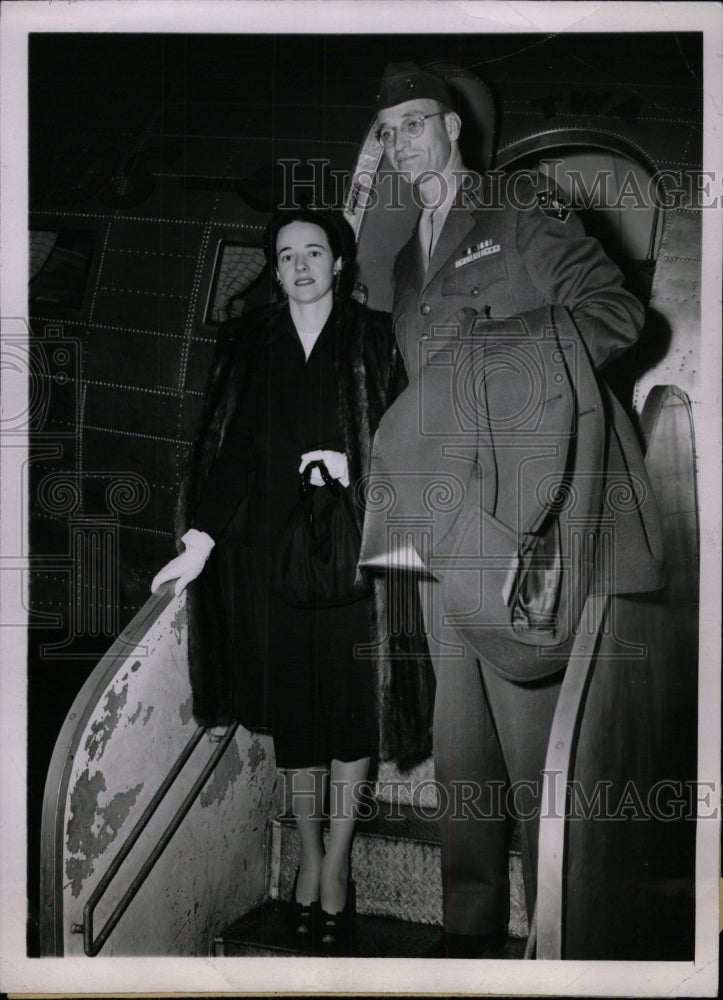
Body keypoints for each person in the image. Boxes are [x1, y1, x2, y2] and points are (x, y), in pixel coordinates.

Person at [362, 62, 665, 957]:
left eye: (416, 121)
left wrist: (503, 368)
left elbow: (617, 315)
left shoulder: (517, 203)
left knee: (537, 747)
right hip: (450, 521)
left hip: (532, 515)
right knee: (460, 745)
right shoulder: (407, 259)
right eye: (387, 129)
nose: (401, 140)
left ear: (453, 127)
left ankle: (560, 935)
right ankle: (468, 930)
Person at [151, 205, 432, 951]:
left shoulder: (374, 338)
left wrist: (355, 465)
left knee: (349, 713)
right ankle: (308, 855)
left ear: (339, 263)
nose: (300, 265)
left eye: (314, 252)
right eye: (285, 255)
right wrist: (201, 540)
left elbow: (412, 444)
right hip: (267, 559)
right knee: (299, 723)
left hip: (355, 555)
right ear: (273, 270)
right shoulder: (249, 342)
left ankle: (336, 863)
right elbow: (230, 449)